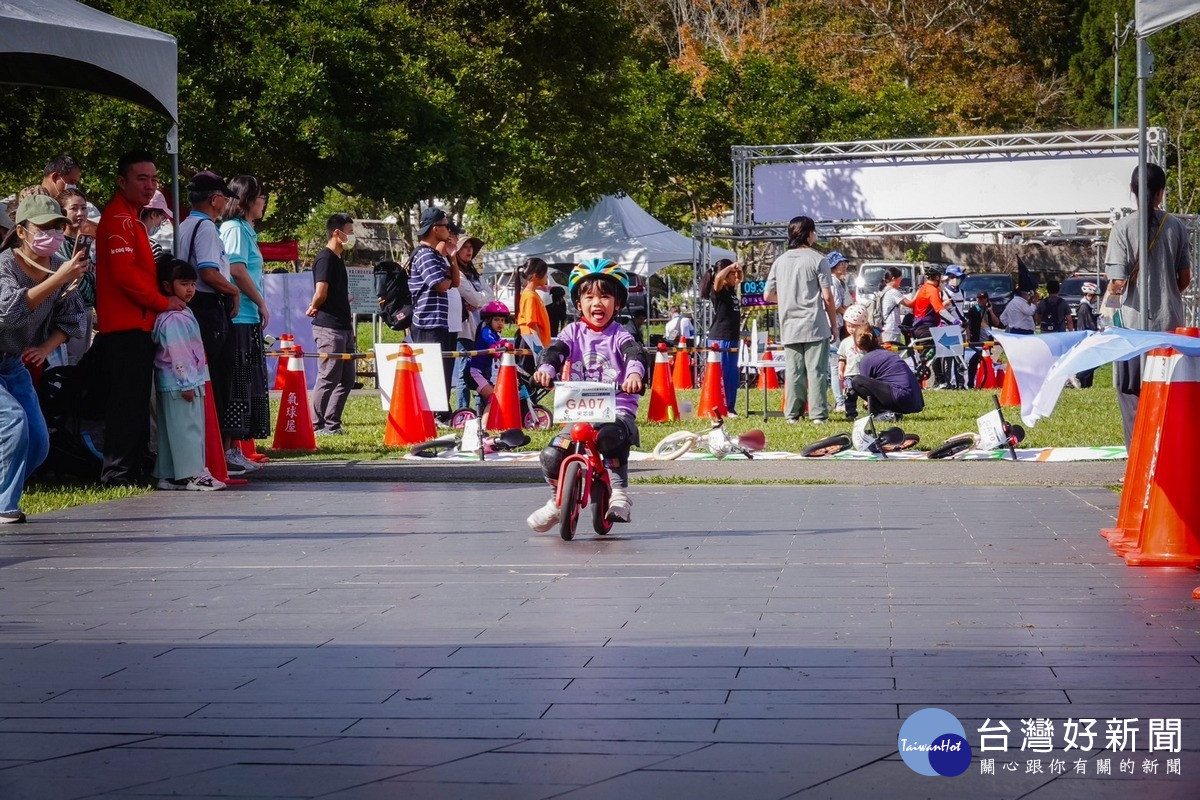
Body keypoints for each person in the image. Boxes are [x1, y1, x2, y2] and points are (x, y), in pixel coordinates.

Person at [527, 259, 645, 531]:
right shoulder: (572, 331)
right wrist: (546, 369)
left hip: (616, 407)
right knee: (553, 453)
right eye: (589, 296)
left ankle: (619, 494)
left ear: (617, 303)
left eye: (605, 296)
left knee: (610, 437)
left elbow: (634, 354)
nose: (597, 303)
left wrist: (634, 375)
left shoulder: (620, 334)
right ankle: (558, 502)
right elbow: (555, 351)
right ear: (578, 304)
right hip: (580, 408)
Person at [95, 150, 183, 487]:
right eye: (141, 178)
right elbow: (125, 277)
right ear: (122, 181)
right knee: (127, 403)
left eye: (154, 179)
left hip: (136, 324)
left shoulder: (129, 218)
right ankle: (117, 473)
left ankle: (129, 468)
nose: (149, 186)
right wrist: (163, 302)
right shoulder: (118, 219)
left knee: (134, 402)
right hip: (125, 326)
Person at [0, 195, 88, 521]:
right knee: (13, 423)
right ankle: (4, 505)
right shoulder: (5, 266)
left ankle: (2, 492)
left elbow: (74, 319)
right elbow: (9, 313)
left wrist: (46, 348)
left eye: (57, 227)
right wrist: (60, 278)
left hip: (11, 362)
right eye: (44, 227)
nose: (52, 233)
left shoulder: (57, 267)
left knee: (38, 442)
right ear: (22, 232)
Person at [1105, 162, 1192, 447]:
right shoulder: (1177, 227)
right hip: (1170, 327)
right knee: (1167, 394)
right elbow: (1185, 279)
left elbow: (1117, 282)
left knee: (1131, 394)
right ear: (1161, 193)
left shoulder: (1122, 228)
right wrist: (1166, 294)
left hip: (1132, 329)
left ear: (1132, 191)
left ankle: (1137, 459)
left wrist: (1110, 307)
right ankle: (1166, 454)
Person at [177, 170, 246, 474]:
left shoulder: (184, 225)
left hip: (192, 307)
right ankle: (213, 454)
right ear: (215, 199)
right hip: (207, 308)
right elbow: (208, 272)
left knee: (201, 380)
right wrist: (233, 290)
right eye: (222, 198)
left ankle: (205, 452)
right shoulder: (206, 228)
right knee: (215, 380)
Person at [151, 258, 222, 491]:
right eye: (184, 284)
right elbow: (179, 353)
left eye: (192, 283)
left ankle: (168, 474)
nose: (190, 289)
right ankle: (193, 474)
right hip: (181, 384)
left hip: (173, 384)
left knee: (171, 431)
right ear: (167, 286)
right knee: (189, 429)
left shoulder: (175, 314)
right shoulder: (175, 318)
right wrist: (187, 383)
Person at [763, 216, 837, 424]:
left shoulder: (780, 261)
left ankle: (792, 415)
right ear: (809, 234)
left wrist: (786, 298)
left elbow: (767, 296)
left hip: (790, 324)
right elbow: (828, 296)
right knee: (816, 372)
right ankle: (818, 415)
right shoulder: (818, 259)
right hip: (814, 323)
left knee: (794, 372)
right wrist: (834, 325)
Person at [219, 175, 271, 462]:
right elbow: (237, 269)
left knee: (246, 383)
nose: (263, 202)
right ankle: (228, 450)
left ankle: (235, 448)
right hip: (239, 317)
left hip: (248, 317)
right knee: (237, 384)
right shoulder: (234, 229)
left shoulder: (246, 230)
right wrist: (261, 302)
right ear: (246, 200)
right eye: (260, 196)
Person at [306, 212, 357, 435]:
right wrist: (313, 305)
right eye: (350, 232)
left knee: (347, 378)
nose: (351, 237)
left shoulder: (338, 259)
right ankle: (316, 425)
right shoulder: (325, 258)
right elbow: (321, 292)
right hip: (329, 327)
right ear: (337, 233)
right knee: (328, 376)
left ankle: (332, 423)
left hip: (345, 326)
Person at [407, 206, 459, 408]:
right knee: (431, 373)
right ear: (435, 229)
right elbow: (440, 285)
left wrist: (452, 257)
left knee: (442, 372)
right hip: (427, 323)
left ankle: (440, 411)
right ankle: (432, 412)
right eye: (446, 227)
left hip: (439, 323)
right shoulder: (425, 255)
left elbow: (454, 282)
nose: (450, 231)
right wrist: (447, 277)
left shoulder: (436, 255)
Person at [56, 187, 97, 365]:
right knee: (68, 365)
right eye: (74, 208)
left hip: (87, 311)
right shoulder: (56, 244)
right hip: (67, 315)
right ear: (62, 212)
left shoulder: (86, 243)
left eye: (84, 207)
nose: (80, 213)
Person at [452, 235, 490, 412]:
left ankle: (478, 408)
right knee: (463, 372)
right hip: (464, 329)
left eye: (471, 247)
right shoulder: (457, 274)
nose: (469, 250)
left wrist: (477, 301)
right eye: (465, 247)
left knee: (478, 370)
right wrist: (479, 299)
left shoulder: (475, 274)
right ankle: (462, 410)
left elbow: (489, 297)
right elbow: (475, 297)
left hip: (479, 329)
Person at [850, 329, 925, 418]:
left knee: (857, 381)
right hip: (915, 401)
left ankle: (884, 413)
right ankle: (893, 412)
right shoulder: (888, 354)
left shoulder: (867, 360)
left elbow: (864, 387)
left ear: (858, 345)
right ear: (876, 339)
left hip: (901, 397)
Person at [703, 259, 743, 416]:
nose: (735, 277)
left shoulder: (731, 290)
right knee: (724, 375)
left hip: (732, 337)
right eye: (731, 274)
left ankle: (730, 407)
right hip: (721, 337)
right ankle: (722, 407)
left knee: (732, 375)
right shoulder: (718, 291)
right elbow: (718, 278)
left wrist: (738, 270)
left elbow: (741, 278)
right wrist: (730, 268)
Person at [467, 301, 510, 409]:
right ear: (488, 320)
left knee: (491, 398)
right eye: (496, 320)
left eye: (502, 320)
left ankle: (482, 417)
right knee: (493, 398)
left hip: (483, 372)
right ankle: (486, 424)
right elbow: (494, 347)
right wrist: (500, 347)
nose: (500, 323)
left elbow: (500, 344)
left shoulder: (496, 334)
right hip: (474, 372)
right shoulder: (486, 332)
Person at [827, 251, 850, 411]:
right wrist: (848, 313)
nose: (844, 265)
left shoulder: (839, 281)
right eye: (841, 263)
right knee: (835, 365)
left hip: (837, 325)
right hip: (831, 325)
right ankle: (840, 401)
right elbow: (834, 305)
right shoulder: (833, 282)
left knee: (832, 365)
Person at [838, 304, 870, 420]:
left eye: (854, 327)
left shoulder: (866, 340)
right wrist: (841, 369)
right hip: (850, 373)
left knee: (868, 393)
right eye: (849, 326)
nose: (851, 329)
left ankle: (870, 409)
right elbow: (842, 357)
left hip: (863, 373)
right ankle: (851, 414)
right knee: (850, 394)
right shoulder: (845, 342)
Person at [964, 291, 1001, 388]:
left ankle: (985, 381)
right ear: (977, 299)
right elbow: (968, 325)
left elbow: (996, 323)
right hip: (976, 340)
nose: (982, 300)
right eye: (980, 298)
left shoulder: (988, 311)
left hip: (987, 340)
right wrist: (968, 338)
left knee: (986, 362)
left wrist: (991, 310)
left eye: (984, 298)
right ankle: (971, 383)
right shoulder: (973, 310)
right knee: (973, 362)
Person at [517, 257, 551, 351]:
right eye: (545, 274)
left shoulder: (533, 294)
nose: (546, 277)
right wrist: (540, 348)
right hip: (532, 342)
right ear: (536, 276)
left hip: (535, 342)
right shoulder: (529, 296)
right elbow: (532, 324)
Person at [1072, 282, 1101, 389]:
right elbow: (1089, 325)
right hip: (1087, 339)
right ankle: (1078, 377)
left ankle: (1084, 383)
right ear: (1089, 295)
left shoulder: (1085, 307)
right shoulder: (1084, 307)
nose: (1096, 299)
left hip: (1085, 338)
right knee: (1091, 362)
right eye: (1095, 297)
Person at [878, 266, 913, 345]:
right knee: (893, 355)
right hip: (891, 330)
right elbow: (910, 304)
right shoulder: (892, 292)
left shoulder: (883, 290)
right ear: (894, 278)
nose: (901, 281)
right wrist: (920, 291)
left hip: (884, 329)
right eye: (900, 279)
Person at [140, 189, 173, 263]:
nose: (161, 224)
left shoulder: (125, 238)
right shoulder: (153, 246)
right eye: (162, 219)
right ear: (154, 214)